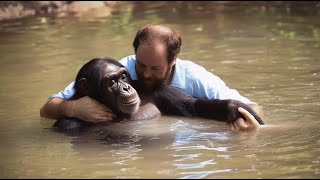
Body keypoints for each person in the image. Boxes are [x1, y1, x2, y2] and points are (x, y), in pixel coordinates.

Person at [40, 24, 265, 131]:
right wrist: (73, 109)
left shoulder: (192, 77)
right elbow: (48, 108)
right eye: (141, 65)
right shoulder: (118, 70)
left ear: (173, 60)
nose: (145, 74)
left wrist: (250, 125)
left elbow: (248, 106)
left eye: (155, 68)